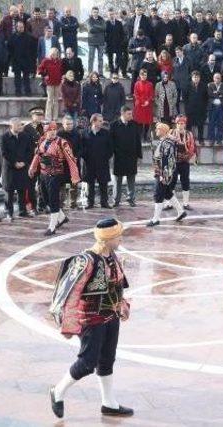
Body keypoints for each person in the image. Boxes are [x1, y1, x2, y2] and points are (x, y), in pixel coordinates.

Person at [48, 218, 133, 419]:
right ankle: (58, 391)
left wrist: (122, 305)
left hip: (111, 316)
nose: (121, 238)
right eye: (118, 235)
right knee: (87, 362)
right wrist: (69, 324)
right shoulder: (86, 260)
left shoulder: (113, 256)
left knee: (107, 360)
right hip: (91, 318)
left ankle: (108, 403)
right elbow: (71, 293)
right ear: (107, 239)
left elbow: (117, 285)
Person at [28, 122, 80, 235]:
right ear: (45, 132)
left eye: (54, 130)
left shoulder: (62, 142)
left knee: (53, 199)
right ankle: (62, 217)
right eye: (49, 130)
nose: (52, 132)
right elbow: (37, 155)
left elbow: (71, 160)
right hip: (43, 174)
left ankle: (52, 226)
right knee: (45, 198)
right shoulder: (42, 141)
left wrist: (75, 176)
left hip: (56, 174)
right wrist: (32, 168)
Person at [147, 122, 187, 226]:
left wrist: (162, 175)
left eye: (158, 129)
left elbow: (166, 161)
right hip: (162, 172)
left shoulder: (167, 143)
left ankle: (155, 219)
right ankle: (181, 211)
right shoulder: (164, 141)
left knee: (158, 195)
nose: (156, 131)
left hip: (163, 173)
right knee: (167, 193)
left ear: (163, 131)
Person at [0, 117, 33, 221]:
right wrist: (14, 163)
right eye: (18, 125)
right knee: (9, 192)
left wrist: (24, 162)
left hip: (23, 167)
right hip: (10, 168)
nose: (20, 127)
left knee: (22, 191)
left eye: (20, 125)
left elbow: (29, 151)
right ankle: (9, 213)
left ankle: (22, 211)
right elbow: (4, 153)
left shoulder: (25, 136)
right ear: (11, 126)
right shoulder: (4, 137)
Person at [110, 106, 142, 208]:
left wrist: (139, 156)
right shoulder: (114, 125)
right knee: (117, 180)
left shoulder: (134, 125)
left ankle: (131, 199)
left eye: (131, 114)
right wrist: (112, 154)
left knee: (131, 179)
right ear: (123, 114)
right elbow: (111, 142)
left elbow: (138, 141)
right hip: (118, 157)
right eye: (129, 114)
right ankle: (116, 200)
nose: (131, 116)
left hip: (131, 156)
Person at [82, 114, 112, 209]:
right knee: (90, 184)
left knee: (103, 183)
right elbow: (82, 148)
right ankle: (90, 202)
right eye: (99, 121)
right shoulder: (85, 133)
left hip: (102, 163)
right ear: (93, 121)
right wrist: (86, 156)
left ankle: (104, 202)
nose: (101, 122)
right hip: (89, 163)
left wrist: (105, 157)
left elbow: (110, 148)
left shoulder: (106, 133)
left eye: (102, 120)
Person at [168, 116, 196, 210]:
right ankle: (170, 203)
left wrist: (187, 156)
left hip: (184, 162)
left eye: (182, 123)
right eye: (179, 123)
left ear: (185, 124)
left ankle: (185, 203)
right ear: (176, 124)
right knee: (171, 182)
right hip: (173, 161)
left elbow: (192, 147)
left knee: (185, 181)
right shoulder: (171, 132)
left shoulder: (189, 134)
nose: (180, 125)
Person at [8, 21, 35, 96]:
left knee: (26, 77)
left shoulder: (28, 37)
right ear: (16, 27)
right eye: (19, 27)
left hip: (26, 61)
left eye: (22, 27)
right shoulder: (12, 37)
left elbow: (32, 50)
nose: (20, 28)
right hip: (16, 61)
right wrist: (11, 60)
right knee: (17, 77)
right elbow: (9, 49)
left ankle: (28, 91)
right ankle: (18, 91)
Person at [37, 47, 63, 121]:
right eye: (53, 54)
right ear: (51, 54)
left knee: (56, 100)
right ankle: (48, 117)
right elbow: (39, 69)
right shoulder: (46, 60)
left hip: (58, 83)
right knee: (49, 100)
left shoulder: (59, 61)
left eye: (56, 54)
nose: (54, 55)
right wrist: (45, 75)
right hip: (50, 83)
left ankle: (55, 117)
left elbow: (62, 70)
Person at [207, 72, 223, 146]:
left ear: (221, 78)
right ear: (213, 78)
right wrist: (220, 94)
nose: (217, 79)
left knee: (220, 124)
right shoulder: (210, 85)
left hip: (221, 107)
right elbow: (210, 94)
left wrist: (216, 93)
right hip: (212, 107)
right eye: (216, 78)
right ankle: (211, 140)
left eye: (219, 78)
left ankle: (219, 140)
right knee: (211, 124)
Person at [86, 7, 106, 75]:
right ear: (92, 12)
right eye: (94, 12)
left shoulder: (102, 19)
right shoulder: (89, 20)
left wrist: (95, 26)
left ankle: (100, 73)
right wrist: (99, 27)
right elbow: (90, 29)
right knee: (91, 58)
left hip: (101, 41)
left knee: (100, 58)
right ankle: (90, 73)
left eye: (97, 12)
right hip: (92, 41)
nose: (95, 13)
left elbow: (104, 28)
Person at [105, 9, 124, 76]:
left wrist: (121, 42)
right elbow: (104, 34)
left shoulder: (119, 23)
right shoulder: (106, 23)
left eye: (112, 14)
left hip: (118, 44)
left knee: (119, 58)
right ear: (108, 15)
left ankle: (116, 70)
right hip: (109, 44)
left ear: (115, 14)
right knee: (110, 59)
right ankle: (112, 71)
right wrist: (106, 42)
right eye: (110, 14)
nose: (111, 16)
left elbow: (122, 33)